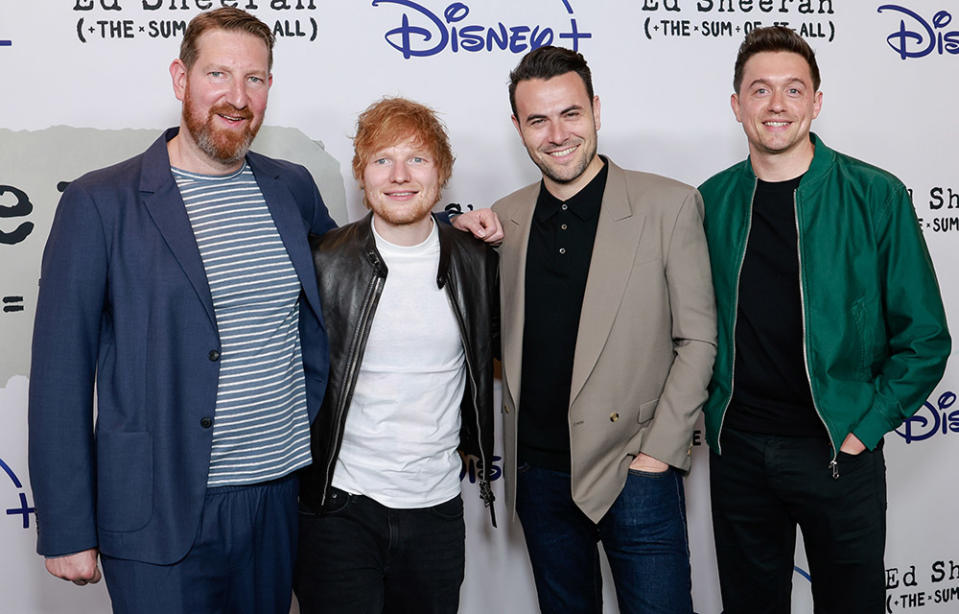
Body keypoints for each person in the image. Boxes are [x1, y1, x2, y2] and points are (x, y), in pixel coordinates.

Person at [27, 8, 336, 613]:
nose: (236, 97)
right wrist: (67, 528)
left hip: (276, 500)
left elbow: (362, 265)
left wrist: (451, 228)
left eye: (254, 79)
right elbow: (61, 374)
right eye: (218, 74)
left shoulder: (292, 187)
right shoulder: (99, 202)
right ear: (180, 78)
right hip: (158, 508)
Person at [700, 25, 951, 613]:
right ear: (737, 105)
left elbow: (926, 339)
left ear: (817, 101)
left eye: (794, 89)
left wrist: (864, 429)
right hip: (739, 453)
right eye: (760, 90)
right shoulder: (709, 203)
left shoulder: (875, 196)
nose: (777, 104)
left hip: (838, 450)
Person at [486, 45, 716, 614]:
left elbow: (698, 340)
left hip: (635, 471)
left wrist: (658, 456)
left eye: (570, 114)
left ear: (595, 109)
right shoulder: (505, 216)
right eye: (538, 120)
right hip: (538, 477)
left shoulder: (669, 204)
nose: (557, 134)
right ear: (518, 127)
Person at [293, 97, 497, 614]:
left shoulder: (477, 262)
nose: (400, 175)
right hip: (339, 510)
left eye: (418, 159)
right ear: (361, 174)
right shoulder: (323, 263)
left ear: (442, 172)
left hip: (437, 511)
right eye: (383, 159)